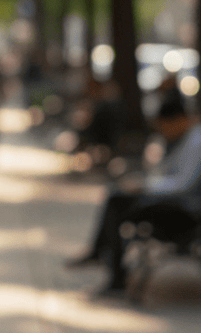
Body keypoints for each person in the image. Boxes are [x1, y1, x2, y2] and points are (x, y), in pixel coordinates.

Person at [67, 92, 201, 293]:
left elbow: (183, 184)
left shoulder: (196, 141)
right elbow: (166, 170)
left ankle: (110, 268)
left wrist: (145, 185)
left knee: (118, 201)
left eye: (165, 126)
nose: (163, 131)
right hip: (174, 199)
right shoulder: (186, 138)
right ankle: (104, 259)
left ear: (180, 120)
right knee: (117, 197)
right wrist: (144, 178)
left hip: (185, 208)